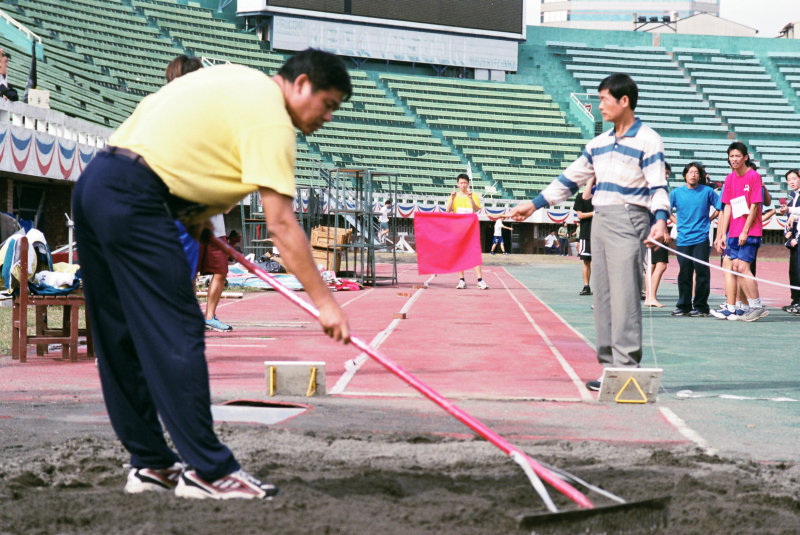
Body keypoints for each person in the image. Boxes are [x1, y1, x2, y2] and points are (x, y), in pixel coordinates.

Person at [72, 49, 352, 500]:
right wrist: (326, 302)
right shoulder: (272, 118)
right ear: (301, 84)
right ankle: (208, 470)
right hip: (138, 198)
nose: (328, 118)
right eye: (329, 105)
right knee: (178, 330)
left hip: (97, 184)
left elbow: (184, 146)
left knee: (118, 337)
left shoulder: (237, 81)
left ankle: (151, 464)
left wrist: (194, 212)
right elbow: (281, 225)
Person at [509, 73, 669, 392]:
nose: (600, 106)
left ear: (624, 101)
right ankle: (611, 366)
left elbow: (658, 184)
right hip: (601, 220)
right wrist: (535, 203)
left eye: (604, 99)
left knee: (625, 293)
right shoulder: (598, 143)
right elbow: (571, 177)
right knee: (605, 295)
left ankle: (627, 366)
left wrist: (661, 219)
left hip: (630, 218)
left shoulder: (648, 139)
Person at [711, 141, 768, 321]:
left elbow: (755, 205)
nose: (734, 159)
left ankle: (756, 305)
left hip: (750, 231)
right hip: (733, 232)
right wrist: (722, 235)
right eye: (731, 156)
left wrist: (745, 230)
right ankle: (742, 307)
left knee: (743, 266)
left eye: (737, 156)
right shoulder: (729, 178)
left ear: (745, 157)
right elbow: (727, 207)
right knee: (735, 266)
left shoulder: (753, 177)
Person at [669, 162, 720, 317]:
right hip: (683, 238)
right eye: (690, 172)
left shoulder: (707, 192)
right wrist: (678, 222)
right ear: (685, 175)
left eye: (696, 172)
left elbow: (721, 208)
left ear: (701, 176)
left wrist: (709, 219)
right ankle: (684, 305)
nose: (693, 175)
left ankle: (701, 306)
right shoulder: (676, 193)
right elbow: (665, 210)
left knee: (701, 272)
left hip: (701, 238)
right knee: (684, 272)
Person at [445, 173, 488, 289]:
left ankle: (480, 280)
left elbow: (476, 209)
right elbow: (448, 210)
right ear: (457, 184)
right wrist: (452, 198)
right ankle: (461, 280)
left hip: (471, 229)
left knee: (475, 253)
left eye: (465, 183)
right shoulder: (454, 196)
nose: (463, 185)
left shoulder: (473, 195)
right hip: (458, 229)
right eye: (461, 183)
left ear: (468, 184)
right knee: (459, 254)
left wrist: (470, 198)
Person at [644, 162, 673, 307]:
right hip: (654, 232)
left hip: (654, 230)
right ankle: (650, 296)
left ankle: (649, 296)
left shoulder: (661, 189)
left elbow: (665, 211)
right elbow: (658, 212)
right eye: (664, 173)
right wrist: (665, 231)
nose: (666, 175)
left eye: (668, 173)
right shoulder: (654, 188)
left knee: (653, 265)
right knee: (659, 265)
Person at [199, 213, 232, 332]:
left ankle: (210, 317)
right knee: (190, 272)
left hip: (216, 231)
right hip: (191, 228)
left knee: (221, 271)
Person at [777, 169, 800, 313]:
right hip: (795, 239)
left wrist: (790, 211)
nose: (791, 181)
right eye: (788, 180)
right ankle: (796, 300)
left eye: (794, 178)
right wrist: (789, 232)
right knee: (793, 271)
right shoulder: (794, 196)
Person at [573, 179, 594, 295]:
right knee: (586, 261)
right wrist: (594, 213)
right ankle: (586, 286)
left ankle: (603, 287)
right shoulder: (580, 197)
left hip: (600, 234)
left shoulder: (600, 197)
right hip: (586, 234)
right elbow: (580, 215)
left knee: (602, 263)